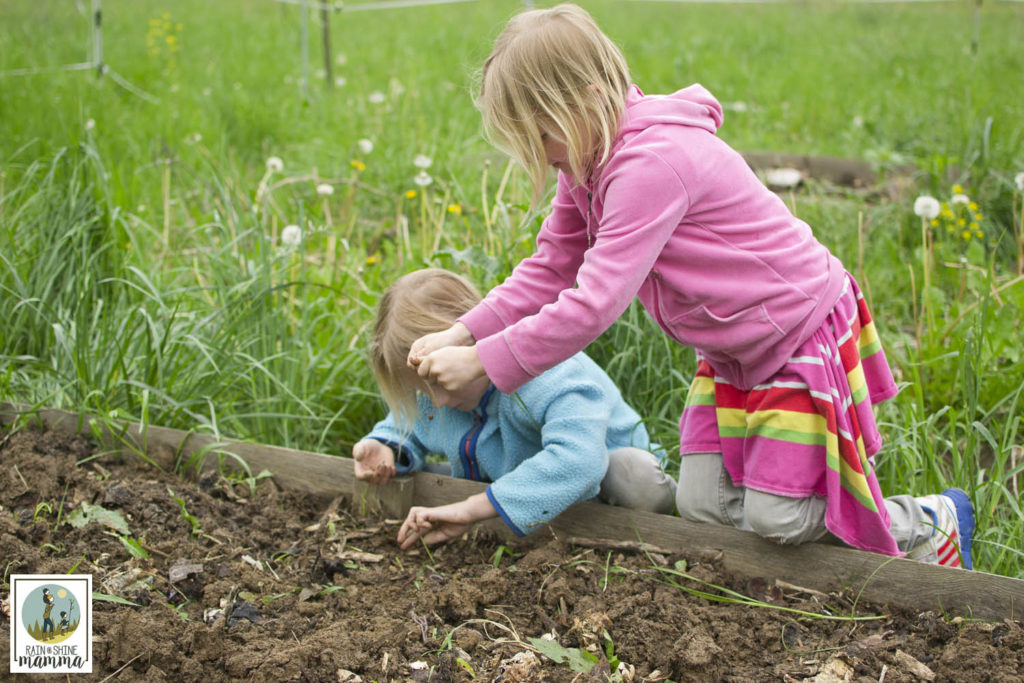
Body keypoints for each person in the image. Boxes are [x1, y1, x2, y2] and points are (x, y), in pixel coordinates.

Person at [406, 3, 974, 568]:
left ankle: (931, 523)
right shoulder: (584, 163)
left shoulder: (652, 164)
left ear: (582, 100)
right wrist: (461, 331)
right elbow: (550, 268)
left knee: (777, 520)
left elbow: (594, 303)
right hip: (734, 352)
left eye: (543, 134)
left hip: (795, 336)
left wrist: (482, 360)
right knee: (703, 508)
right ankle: (778, 551)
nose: (543, 155)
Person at [353, 268, 676, 549]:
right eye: (419, 390)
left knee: (635, 477)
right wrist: (387, 448)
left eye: (437, 382)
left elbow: (581, 461)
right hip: (520, 494)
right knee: (426, 477)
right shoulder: (439, 393)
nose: (436, 401)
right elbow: (409, 421)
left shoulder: (546, 370)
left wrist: (470, 509)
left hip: (602, 485)